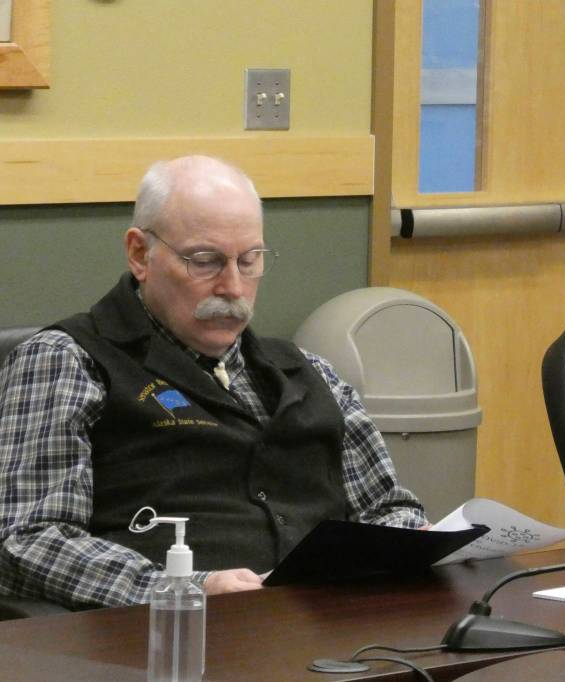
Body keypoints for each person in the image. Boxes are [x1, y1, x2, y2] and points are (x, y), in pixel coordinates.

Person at [0, 155, 427, 609]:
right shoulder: (67, 361)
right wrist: (183, 589)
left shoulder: (310, 372)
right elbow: (28, 540)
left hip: (333, 627)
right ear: (140, 254)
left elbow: (388, 509)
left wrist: (412, 541)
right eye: (205, 262)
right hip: (169, 641)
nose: (233, 287)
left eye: (249, 261)